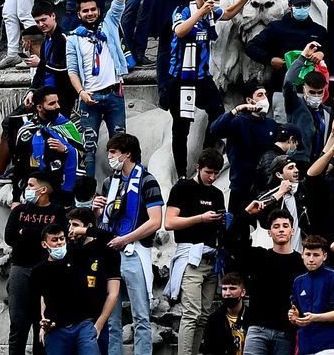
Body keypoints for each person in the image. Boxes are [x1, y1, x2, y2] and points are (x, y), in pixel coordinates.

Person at [167, 0, 262, 176]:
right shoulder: (183, 10)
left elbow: (227, 14)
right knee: (181, 127)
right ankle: (182, 172)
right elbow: (180, 31)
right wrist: (200, 12)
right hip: (181, 79)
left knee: (217, 111)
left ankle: (206, 154)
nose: (218, 1)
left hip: (202, 77)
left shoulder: (212, 12)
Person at [95, 133, 163, 355]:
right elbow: (103, 220)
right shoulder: (108, 182)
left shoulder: (147, 180)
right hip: (111, 252)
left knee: (141, 316)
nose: (110, 156)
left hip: (135, 250)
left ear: (127, 154)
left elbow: (156, 221)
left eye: (114, 152)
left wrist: (126, 238)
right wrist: (97, 209)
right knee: (112, 318)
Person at [67, 0, 134, 155]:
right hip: (90, 97)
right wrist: (81, 93)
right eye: (85, 11)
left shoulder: (109, 24)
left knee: (120, 146)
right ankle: (89, 184)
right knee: (89, 147)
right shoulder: (73, 39)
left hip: (114, 94)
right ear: (79, 14)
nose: (90, 13)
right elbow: (72, 71)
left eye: (93, 10)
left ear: (99, 10)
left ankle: (118, 183)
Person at [166, 148, 229, 355]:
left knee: (203, 316)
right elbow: (169, 222)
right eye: (208, 172)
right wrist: (200, 218)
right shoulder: (182, 188)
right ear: (198, 168)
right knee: (191, 314)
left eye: (216, 173)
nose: (212, 177)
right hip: (190, 256)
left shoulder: (217, 194)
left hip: (212, 258)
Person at [34, 218, 118, 355]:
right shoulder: (39, 270)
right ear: (45, 244)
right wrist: (44, 320)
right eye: (54, 240)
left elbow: (107, 237)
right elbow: (43, 297)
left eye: (62, 238)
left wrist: (82, 230)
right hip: (56, 329)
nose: (59, 243)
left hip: (83, 325)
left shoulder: (77, 255)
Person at [5, 172, 68, 355]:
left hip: (47, 272)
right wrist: (39, 233)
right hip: (20, 269)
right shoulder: (19, 211)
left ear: (43, 190)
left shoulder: (57, 211)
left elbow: (58, 238)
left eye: (31, 186)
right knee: (18, 323)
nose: (27, 189)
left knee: (41, 322)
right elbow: (10, 238)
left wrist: (26, 232)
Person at [243, 207, 308, 355]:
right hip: (257, 329)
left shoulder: (302, 263)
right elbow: (232, 241)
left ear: (292, 231)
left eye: (285, 226)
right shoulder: (259, 257)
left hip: (286, 332)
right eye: (276, 226)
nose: (281, 230)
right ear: (269, 232)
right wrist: (247, 213)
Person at [289, 236, 334, 354]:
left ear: (324, 256)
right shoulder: (298, 281)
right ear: (302, 255)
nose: (311, 259)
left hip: (328, 345)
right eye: (308, 254)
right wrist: (293, 316)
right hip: (304, 346)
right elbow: (297, 313)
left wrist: (315, 317)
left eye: (316, 255)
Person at [201, 272, 250, 355]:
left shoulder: (252, 318)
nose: (227, 293)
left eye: (232, 288)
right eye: (224, 289)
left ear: (243, 292)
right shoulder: (214, 319)